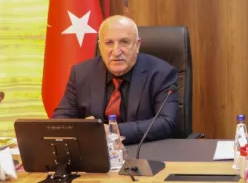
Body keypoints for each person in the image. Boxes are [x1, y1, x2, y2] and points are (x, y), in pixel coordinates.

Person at [53, 16, 178, 144]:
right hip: (95, 150)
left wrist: (112, 131)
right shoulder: (81, 73)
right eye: (109, 43)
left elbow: (166, 122)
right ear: (100, 46)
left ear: (137, 45)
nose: (116, 51)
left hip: (141, 149)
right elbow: (60, 120)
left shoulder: (161, 73)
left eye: (124, 42)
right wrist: (84, 129)